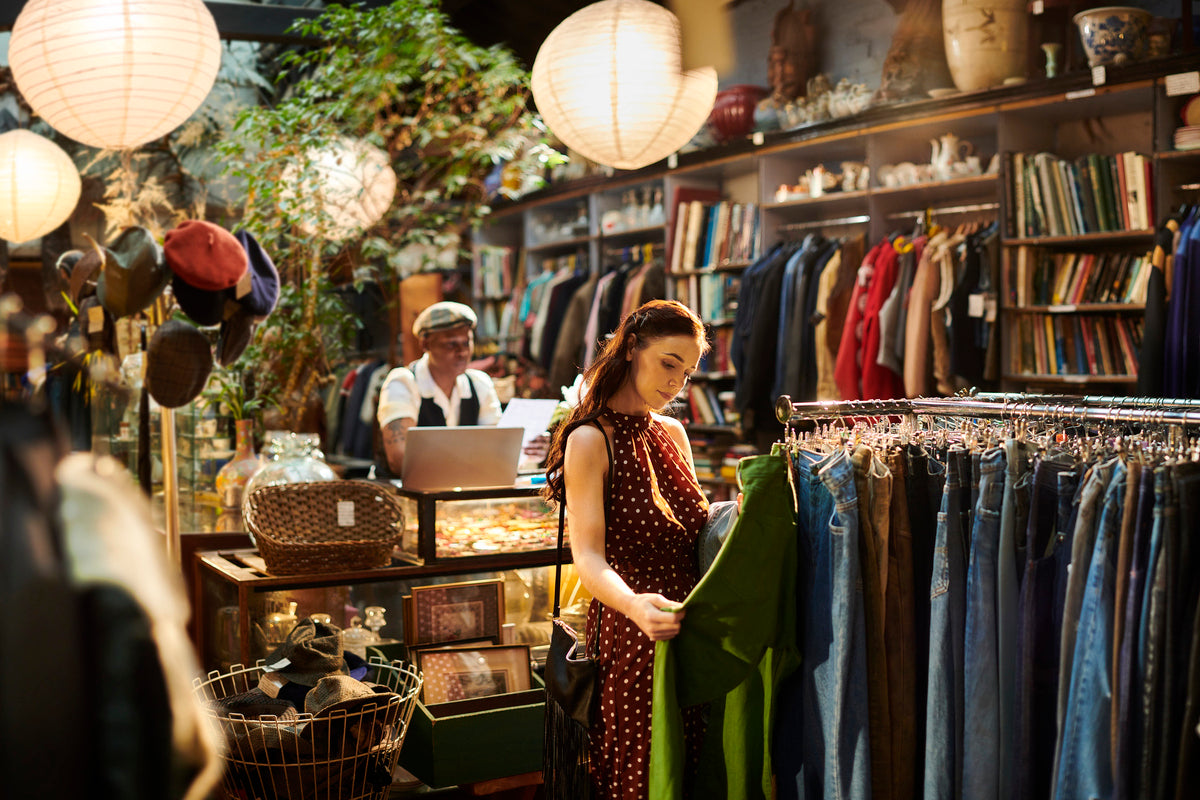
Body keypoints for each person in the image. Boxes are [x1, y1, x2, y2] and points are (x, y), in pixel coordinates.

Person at [542, 299, 711, 798]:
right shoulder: (591, 439)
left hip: (688, 630)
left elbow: (693, 530)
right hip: (630, 636)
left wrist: (733, 515)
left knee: (692, 768)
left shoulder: (673, 433)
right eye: (668, 364)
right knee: (641, 777)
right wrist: (635, 605)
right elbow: (588, 557)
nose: (676, 384)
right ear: (632, 348)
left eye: (687, 373)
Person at [376, 301, 502, 478]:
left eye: (466, 343)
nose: (462, 352)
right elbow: (399, 460)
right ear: (425, 344)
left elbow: (496, 449)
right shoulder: (403, 382)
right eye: (451, 344)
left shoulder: (479, 383)